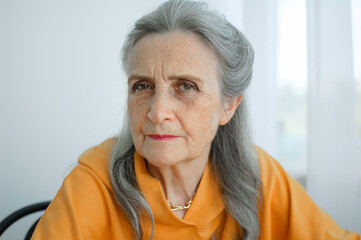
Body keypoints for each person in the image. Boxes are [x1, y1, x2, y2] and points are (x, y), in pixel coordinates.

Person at [31, 0, 360, 239]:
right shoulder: (92, 183)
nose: (157, 112)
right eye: (142, 86)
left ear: (228, 105)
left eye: (185, 87)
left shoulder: (258, 177)